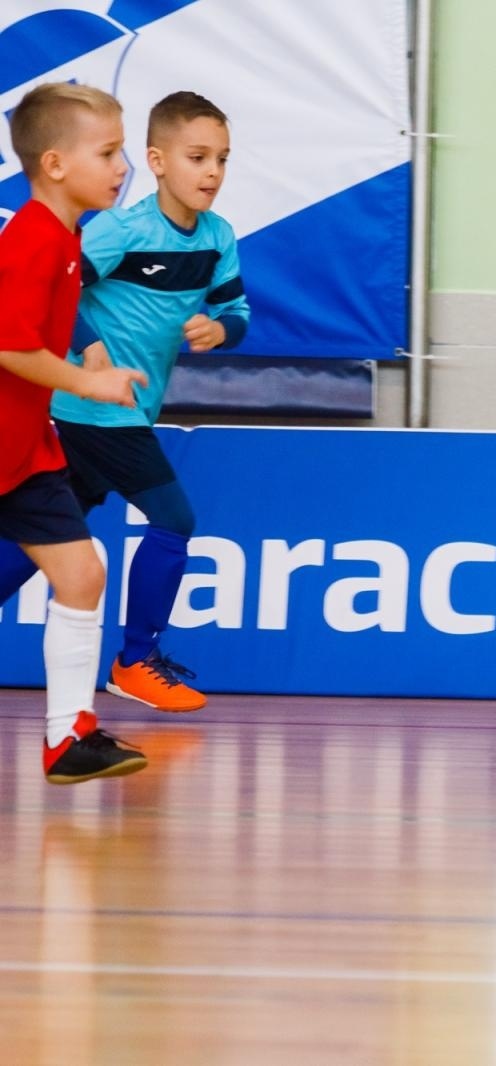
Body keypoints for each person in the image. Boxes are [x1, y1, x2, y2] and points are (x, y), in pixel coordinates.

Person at [0, 90, 250, 713]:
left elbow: (235, 309)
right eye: (197, 157)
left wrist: (221, 330)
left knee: (45, 540)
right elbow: (58, 292)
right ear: (158, 161)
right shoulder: (119, 229)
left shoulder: (218, 238)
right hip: (95, 412)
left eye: (222, 159)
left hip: (124, 408)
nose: (212, 172)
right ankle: (135, 659)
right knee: (173, 519)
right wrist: (89, 355)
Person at [0, 82, 150, 782]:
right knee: (81, 569)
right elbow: (8, 345)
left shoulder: (65, 236)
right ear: (55, 163)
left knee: (82, 570)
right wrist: (88, 381)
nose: (122, 168)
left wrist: (86, 348)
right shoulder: (31, 236)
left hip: (25, 452)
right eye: (110, 152)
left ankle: (69, 738)